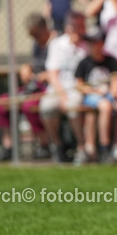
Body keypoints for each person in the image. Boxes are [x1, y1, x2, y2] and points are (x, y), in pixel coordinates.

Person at [0, 13, 53, 161]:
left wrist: (48, 74)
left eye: (36, 34)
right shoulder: (36, 45)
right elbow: (35, 65)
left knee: (29, 105)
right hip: (34, 85)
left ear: (45, 28)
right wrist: (26, 67)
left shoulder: (56, 42)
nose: (34, 38)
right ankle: (9, 146)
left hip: (50, 87)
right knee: (2, 103)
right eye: (31, 35)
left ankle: (44, 144)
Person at [74, 27, 117, 163]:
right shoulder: (84, 63)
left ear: (102, 43)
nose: (92, 46)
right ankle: (105, 148)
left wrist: (113, 93)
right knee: (105, 107)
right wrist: (96, 92)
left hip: (108, 95)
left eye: (95, 42)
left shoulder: (111, 61)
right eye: (89, 42)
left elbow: (115, 82)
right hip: (92, 97)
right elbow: (80, 86)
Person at [39, 12, 88, 163]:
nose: (78, 30)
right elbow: (52, 74)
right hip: (59, 89)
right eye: (74, 27)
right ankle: (57, 145)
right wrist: (62, 95)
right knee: (46, 107)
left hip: (78, 89)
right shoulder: (57, 44)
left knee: (72, 106)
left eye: (80, 27)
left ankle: (81, 147)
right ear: (67, 28)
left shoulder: (87, 45)